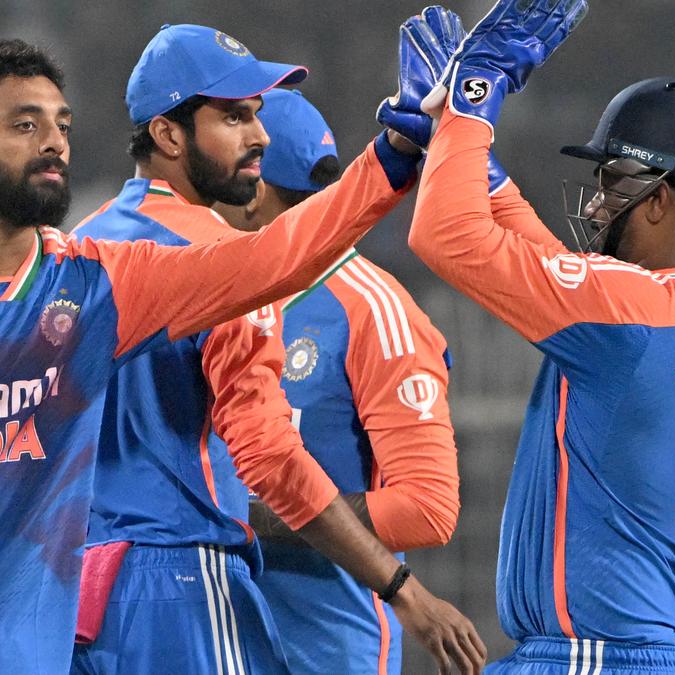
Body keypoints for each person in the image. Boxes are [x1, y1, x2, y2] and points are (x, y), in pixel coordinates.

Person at [0, 38, 437, 675]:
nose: (53, 142)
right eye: (24, 125)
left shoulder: (97, 284)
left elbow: (269, 260)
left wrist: (393, 159)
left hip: (14, 654)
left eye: (61, 125)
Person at [69, 25, 482, 675]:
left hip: (81, 596)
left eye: (256, 117)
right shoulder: (222, 263)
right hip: (186, 584)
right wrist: (401, 587)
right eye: (235, 118)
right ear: (169, 135)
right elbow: (269, 457)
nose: (258, 136)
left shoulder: (80, 248)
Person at [382, 2, 675, 673]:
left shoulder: (630, 314)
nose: (594, 203)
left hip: (593, 657)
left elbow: (446, 235)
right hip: (652, 656)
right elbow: (542, 262)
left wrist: (478, 85)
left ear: (659, 201)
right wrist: (454, 134)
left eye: (611, 181)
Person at [213, 88, 461, 675]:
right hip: (210, 640)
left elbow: (428, 509)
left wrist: (234, 519)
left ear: (255, 190)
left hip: (322, 654)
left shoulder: (372, 309)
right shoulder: (217, 294)